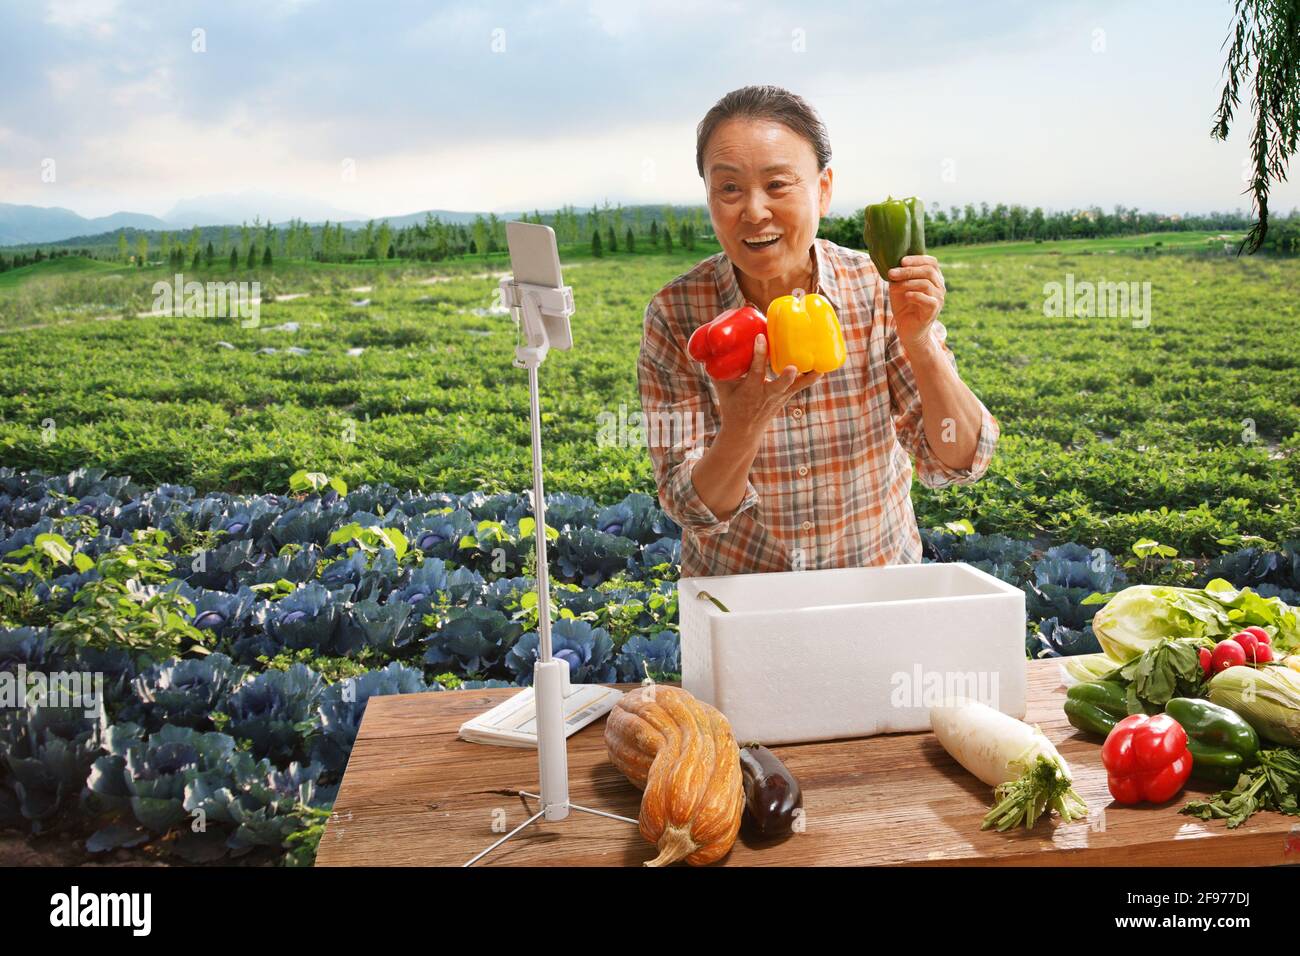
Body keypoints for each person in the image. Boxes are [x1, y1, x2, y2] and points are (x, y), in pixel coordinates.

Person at [637, 84, 1000, 578]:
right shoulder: (676, 314)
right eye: (729, 188)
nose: (755, 210)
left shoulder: (876, 288)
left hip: (874, 587)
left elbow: (959, 457)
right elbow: (690, 506)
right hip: (742, 604)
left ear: (823, 190)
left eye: (778, 184)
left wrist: (920, 342)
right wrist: (743, 424)